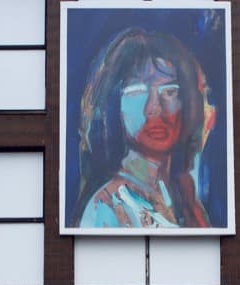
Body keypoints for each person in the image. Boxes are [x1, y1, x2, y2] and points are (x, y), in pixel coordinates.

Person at [73, 27, 216, 229]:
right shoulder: (106, 207)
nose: (154, 108)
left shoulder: (187, 203)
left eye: (170, 92)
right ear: (115, 108)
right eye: (136, 91)